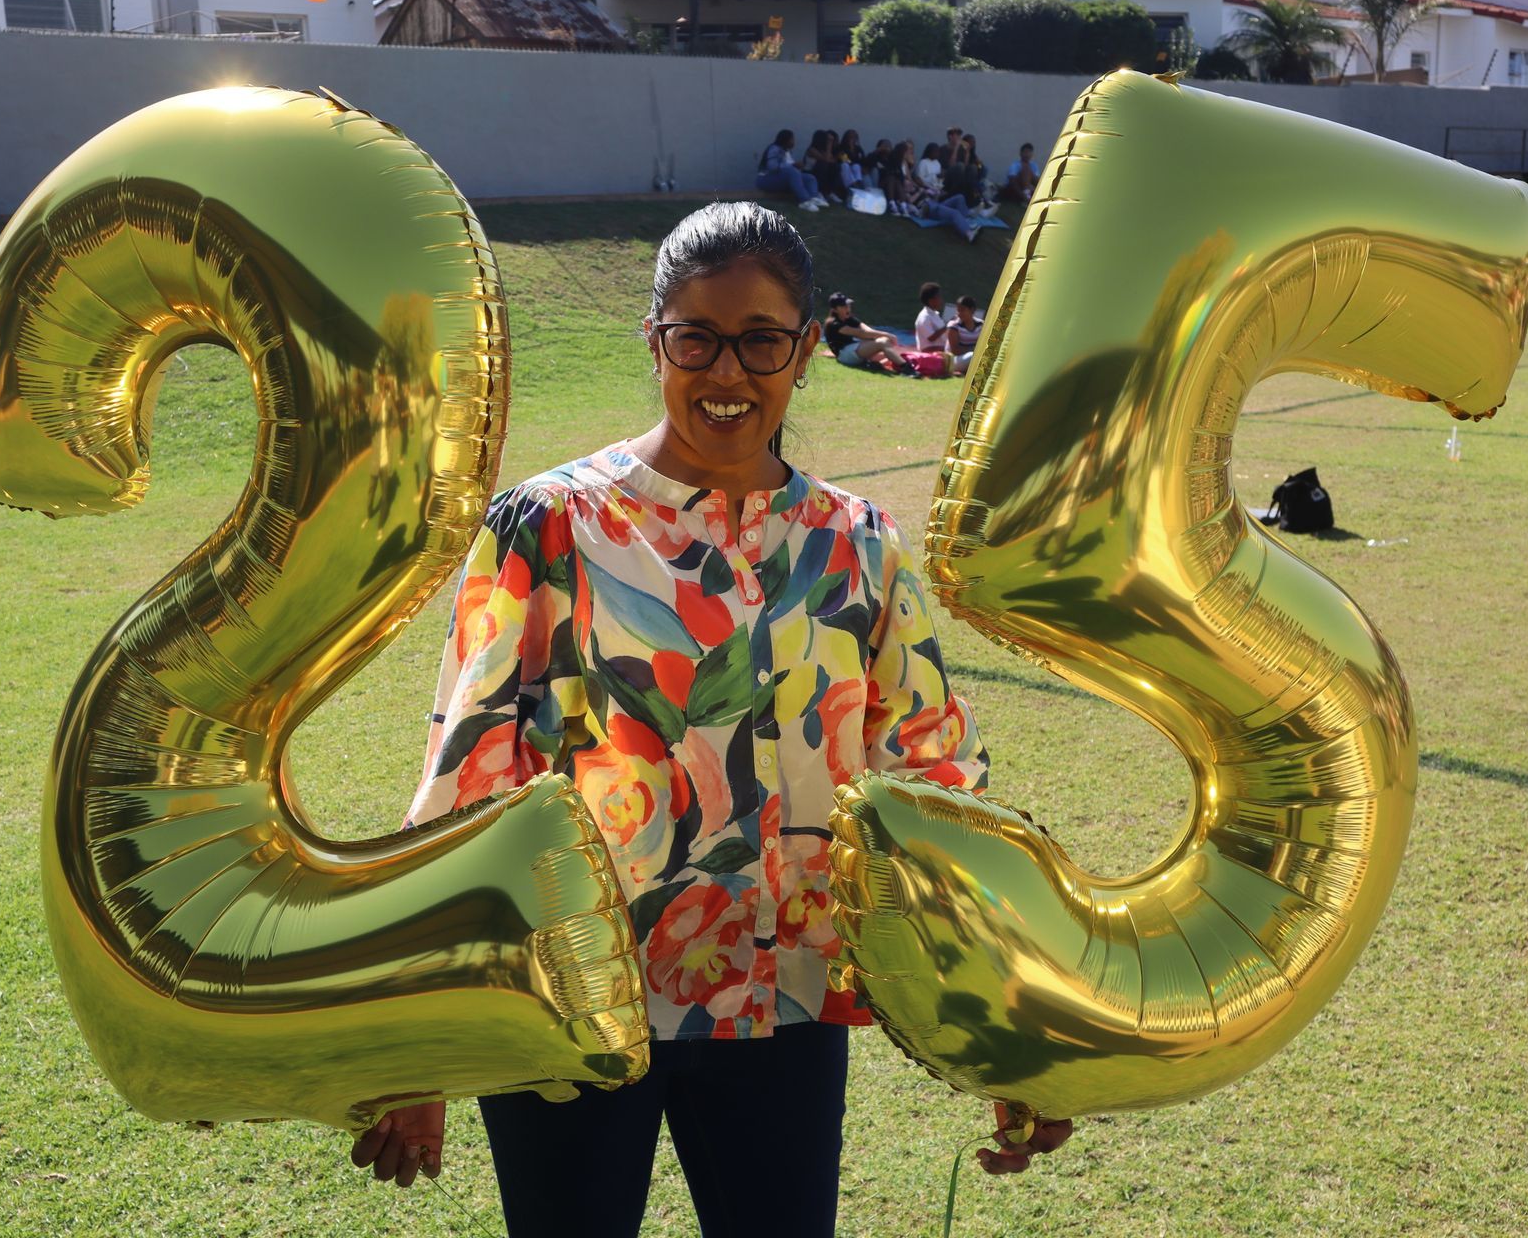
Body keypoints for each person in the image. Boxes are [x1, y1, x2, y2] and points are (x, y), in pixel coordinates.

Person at [350, 201, 1072, 1231]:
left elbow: (934, 790)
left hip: (784, 1004)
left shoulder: (856, 547)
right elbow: (466, 782)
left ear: (806, 348)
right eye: (697, 338)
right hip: (570, 1002)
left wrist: (1005, 1031)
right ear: (656, 342)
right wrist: (426, 1043)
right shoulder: (549, 527)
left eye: (761, 341)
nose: (727, 372)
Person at [823, 290, 913, 374]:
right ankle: (906, 368)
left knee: (886, 347)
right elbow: (861, 333)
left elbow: (868, 330)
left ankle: (874, 364)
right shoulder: (833, 323)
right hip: (845, 355)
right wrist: (887, 335)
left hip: (853, 350)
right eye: (843, 306)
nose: (847, 308)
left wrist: (884, 337)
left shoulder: (848, 318)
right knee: (882, 343)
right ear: (834, 310)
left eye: (848, 305)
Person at [757, 128, 826, 213]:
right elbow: (772, 167)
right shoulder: (774, 149)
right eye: (792, 139)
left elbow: (789, 168)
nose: (794, 142)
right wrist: (793, 165)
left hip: (781, 179)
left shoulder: (787, 151)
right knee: (791, 171)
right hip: (766, 179)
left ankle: (813, 198)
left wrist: (797, 166)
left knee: (809, 178)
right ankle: (804, 201)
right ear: (785, 140)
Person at [946, 294, 984, 375]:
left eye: (962, 310)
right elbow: (955, 351)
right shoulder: (953, 326)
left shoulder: (981, 324)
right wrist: (974, 350)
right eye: (958, 310)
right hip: (954, 361)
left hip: (974, 357)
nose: (959, 313)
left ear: (972, 310)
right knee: (972, 356)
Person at [804, 129, 844, 204]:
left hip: (821, 173)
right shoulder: (812, 149)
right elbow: (826, 160)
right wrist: (829, 144)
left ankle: (830, 192)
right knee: (822, 165)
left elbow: (832, 161)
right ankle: (819, 192)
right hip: (810, 172)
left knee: (835, 166)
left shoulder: (825, 151)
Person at [915, 281, 951, 354]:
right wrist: (948, 325)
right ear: (931, 301)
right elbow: (931, 338)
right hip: (931, 354)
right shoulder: (924, 317)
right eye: (939, 297)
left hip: (942, 350)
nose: (941, 300)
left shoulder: (934, 314)